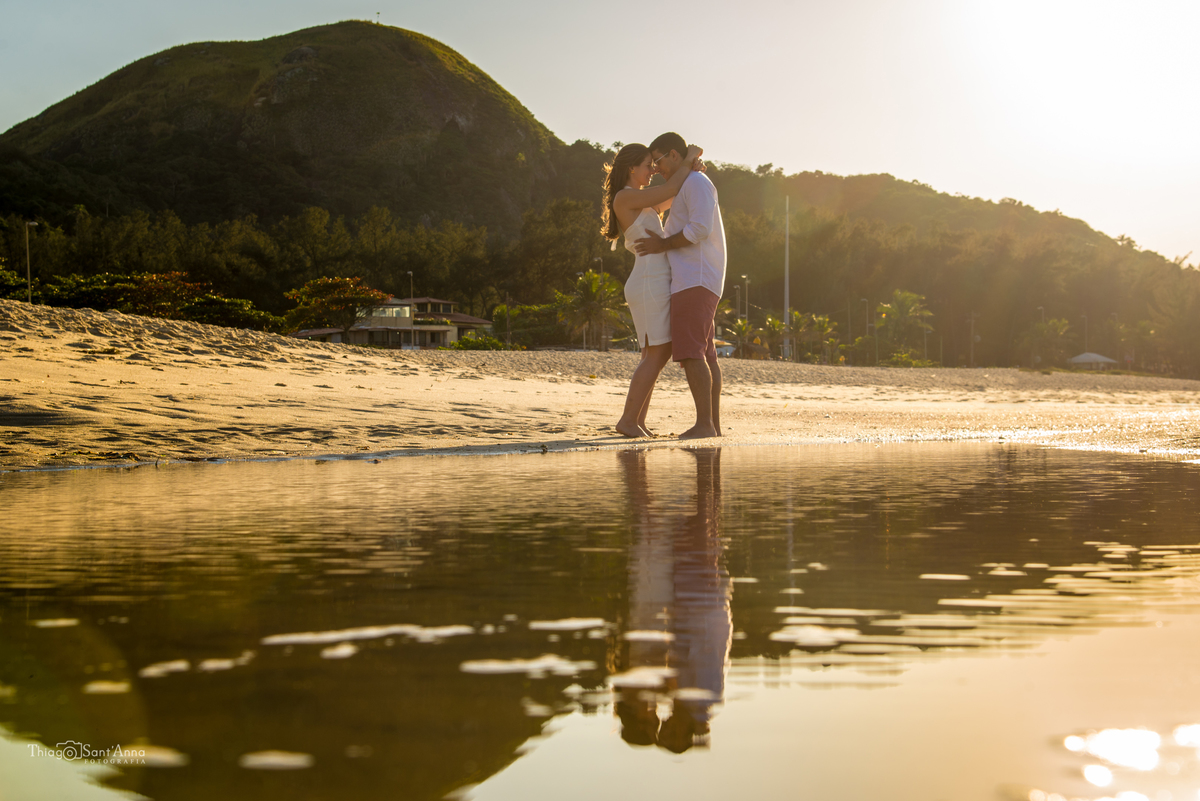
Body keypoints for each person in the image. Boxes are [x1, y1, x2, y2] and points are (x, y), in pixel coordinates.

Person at [602, 142, 703, 438]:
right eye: (649, 165)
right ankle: (628, 420)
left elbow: (673, 195)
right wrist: (689, 157)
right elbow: (669, 189)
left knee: (654, 354)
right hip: (649, 281)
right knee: (656, 354)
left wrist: (691, 170)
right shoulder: (626, 197)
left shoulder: (640, 201)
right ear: (632, 168)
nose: (653, 170)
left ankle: (637, 421)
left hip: (651, 281)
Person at [635, 132, 726, 439]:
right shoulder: (690, 182)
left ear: (674, 155)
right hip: (697, 278)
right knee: (705, 353)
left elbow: (700, 228)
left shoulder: (696, 183)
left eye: (658, 161)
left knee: (691, 354)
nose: (656, 168)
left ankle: (704, 425)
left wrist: (663, 244)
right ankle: (711, 426)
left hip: (695, 278)